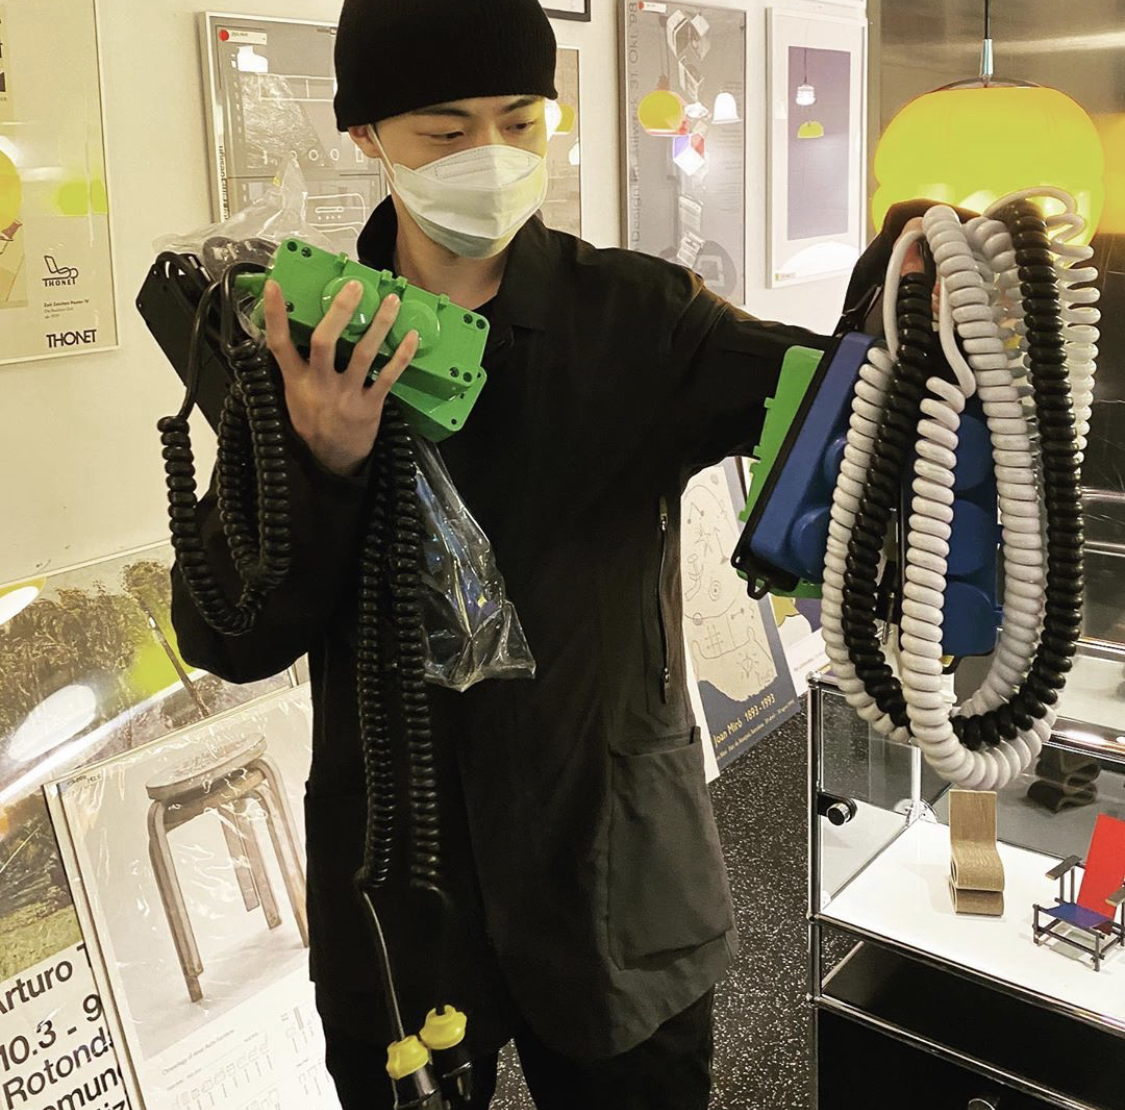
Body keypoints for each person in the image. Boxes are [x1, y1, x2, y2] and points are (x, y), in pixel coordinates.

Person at [170, 0, 925, 1106]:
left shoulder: (638, 319)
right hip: (400, 891)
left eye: (521, 121)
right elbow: (224, 636)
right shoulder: (303, 340)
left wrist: (916, 302)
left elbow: (844, 403)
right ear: (366, 134)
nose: (490, 156)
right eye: (445, 131)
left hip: (612, 875)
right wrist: (323, 463)